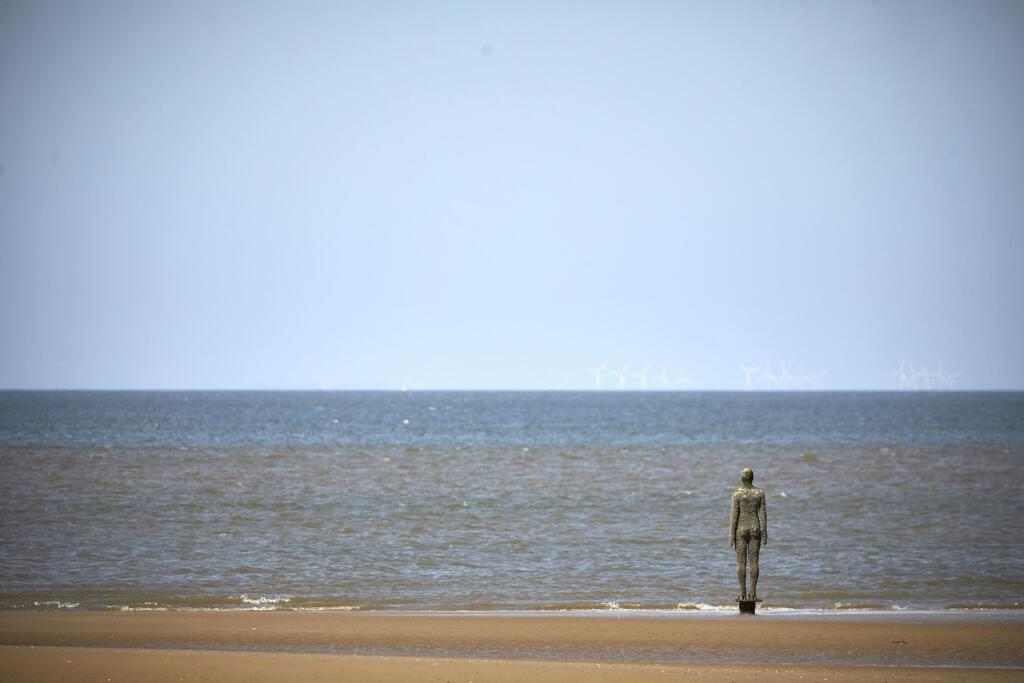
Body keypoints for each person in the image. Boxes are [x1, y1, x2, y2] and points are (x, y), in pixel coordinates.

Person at [729, 467, 767, 601]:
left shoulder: (737, 494)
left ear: (742, 478)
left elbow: (734, 516)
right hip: (755, 528)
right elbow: (762, 514)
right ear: (752, 478)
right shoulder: (759, 493)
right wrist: (764, 530)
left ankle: (742, 593)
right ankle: (753, 593)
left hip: (741, 530)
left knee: (741, 562)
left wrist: (731, 534)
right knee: (754, 561)